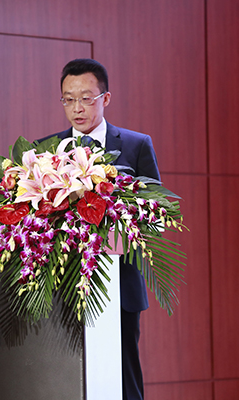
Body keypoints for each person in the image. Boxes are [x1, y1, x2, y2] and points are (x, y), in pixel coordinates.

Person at [39, 58, 160, 400]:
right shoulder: (46, 150)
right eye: (68, 99)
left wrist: (121, 231)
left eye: (85, 98)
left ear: (105, 98)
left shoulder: (136, 145)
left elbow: (156, 210)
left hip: (119, 282)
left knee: (123, 377)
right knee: (67, 377)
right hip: (63, 283)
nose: (77, 108)